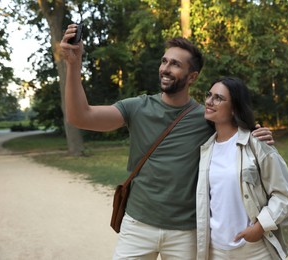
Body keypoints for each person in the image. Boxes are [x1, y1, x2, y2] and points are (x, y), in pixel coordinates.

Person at [60, 24, 274, 260]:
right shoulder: (137, 107)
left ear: (192, 77)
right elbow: (79, 117)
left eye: (175, 64)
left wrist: (259, 134)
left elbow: (240, 135)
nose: (166, 68)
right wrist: (73, 65)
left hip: (186, 233)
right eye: (164, 61)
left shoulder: (207, 119)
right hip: (137, 225)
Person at [196, 77, 288, 260]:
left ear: (234, 108)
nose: (209, 101)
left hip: (254, 250)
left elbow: (284, 194)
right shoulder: (205, 150)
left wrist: (260, 227)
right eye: (209, 95)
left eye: (218, 98)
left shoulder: (256, 144)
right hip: (215, 250)